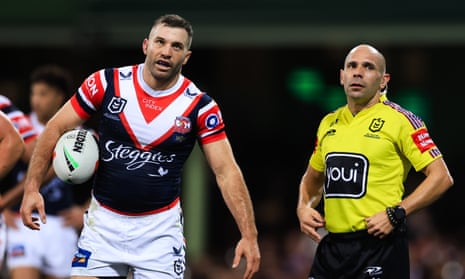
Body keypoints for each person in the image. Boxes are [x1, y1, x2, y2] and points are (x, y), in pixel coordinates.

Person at [20, 14, 260, 279]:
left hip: (159, 232)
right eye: (161, 42)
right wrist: (32, 188)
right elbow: (55, 128)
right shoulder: (106, 82)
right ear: (146, 45)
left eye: (176, 46)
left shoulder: (200, 107)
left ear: (186, 57)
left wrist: (249, 234)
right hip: (103, 225)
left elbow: (226, 171)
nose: (167, 52)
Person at [296, 44, 454, 279]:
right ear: (342, 76)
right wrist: (304, 207)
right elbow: (313, 177)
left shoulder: (401, 120)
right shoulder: (328, 123)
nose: (358, 72)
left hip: (379, 247)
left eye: (368, 67)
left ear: (383, 80)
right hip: (333, 248)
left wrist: (397, 213)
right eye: (352, 66)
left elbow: (442, 178)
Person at [3, 65, 91, 279]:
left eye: (43, 94)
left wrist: (86, 211)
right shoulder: (18, 125)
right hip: (22, 220)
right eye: (34, 93)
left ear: (59, 96)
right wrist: (4, 206)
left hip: (61, 224)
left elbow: (107, 181)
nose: (36, 100)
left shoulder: (81, 137)